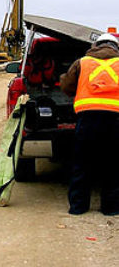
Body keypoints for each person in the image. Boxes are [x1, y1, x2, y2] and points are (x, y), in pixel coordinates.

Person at [60, 33, 119, 215]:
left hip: (88, 118)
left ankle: (78, 207)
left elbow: (68, 87)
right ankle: (111, 208)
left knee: (82, 162)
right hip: (115, 119)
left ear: (96, 45)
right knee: (113, 164)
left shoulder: (82, 62)